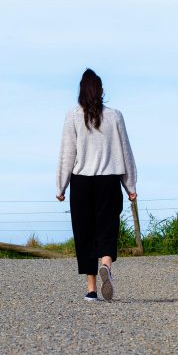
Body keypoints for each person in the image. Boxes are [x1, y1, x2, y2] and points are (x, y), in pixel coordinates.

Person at [56, 68, 137, 302]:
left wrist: (61, 186)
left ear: (81, 91)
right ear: (101, 91)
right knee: (107, 228)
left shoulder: (72, 116)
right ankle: (106, 265)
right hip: (109, 182)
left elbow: (67, 154)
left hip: (81, 183)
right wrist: (130, 186)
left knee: (85, 234)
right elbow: (126, 152)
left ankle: (91, 290)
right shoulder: (115, 116)